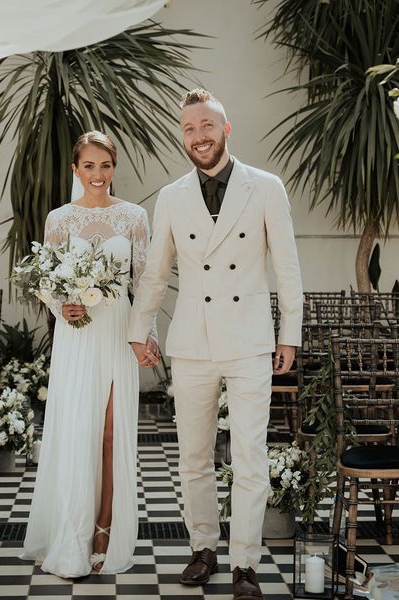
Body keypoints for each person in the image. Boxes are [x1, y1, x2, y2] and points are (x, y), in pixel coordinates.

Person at [128, 89, 303, 599]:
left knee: (249, 455)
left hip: (250, 342)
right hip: (192, 342)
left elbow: (288, 270)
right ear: (182, 136)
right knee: (194, 456)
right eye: (188, 129)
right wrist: (140, 333)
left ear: (226, 129)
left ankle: (245, 563)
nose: (198, 136)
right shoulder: (172, 196)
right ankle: (203, 548)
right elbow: (156, 274)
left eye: (207, 126)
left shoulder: (266, 188)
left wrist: (289, 334)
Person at [21, 131, 158, 578]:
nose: (97, 175)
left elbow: (145, 283)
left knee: (111, 434)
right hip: (78, 335)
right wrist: (62, 305)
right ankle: (73, 531)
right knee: (78, 432)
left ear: (113, 168)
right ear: (75, 170)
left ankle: (105, 526)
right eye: (89, 166)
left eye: (105, 165)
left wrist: (147, 336)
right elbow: (45, 279)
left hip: (118, 333)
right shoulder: (59, 219)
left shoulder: (134, 217)